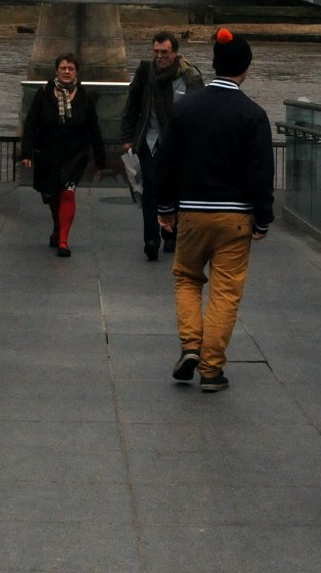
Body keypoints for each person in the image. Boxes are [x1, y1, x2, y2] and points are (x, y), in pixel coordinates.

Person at [152, 29, 275, 393]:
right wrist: (263, 218)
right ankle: (211, 369)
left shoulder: (186, 107)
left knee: (187, 278)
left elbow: (167, 162)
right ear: (246, 69)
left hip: (191, 211)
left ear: (214, 64)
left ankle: (190, 346)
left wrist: (165, 207)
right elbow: (261, 173)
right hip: (236, 216)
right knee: (225, 292)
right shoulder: (253, 114)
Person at [121, 30, 206, 260]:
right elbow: (132, 105)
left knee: (176, 190)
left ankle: (171, 235)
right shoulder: (145, 73)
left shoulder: (189, 76)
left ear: (175, 53)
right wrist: (128, 138)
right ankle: (151, 239)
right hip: (149, 142)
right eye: (156, 52)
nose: (160, 57)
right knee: (150, 190)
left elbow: (200, 113)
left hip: (178, 145)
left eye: (164, 52)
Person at [20, 53, 108, 256]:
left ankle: (63, 241)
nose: (67, 72)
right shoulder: (43, 94)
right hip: (48, 153)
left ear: (76, 72)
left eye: (71, 68)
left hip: (75, 154)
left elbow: (94, 128)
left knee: (67, 193)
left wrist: (101, 158)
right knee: (51, 194)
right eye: (63, 68)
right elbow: (31, 123)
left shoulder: (85, 96)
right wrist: (27, 152)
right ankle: (57, 226)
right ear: (56, 71)